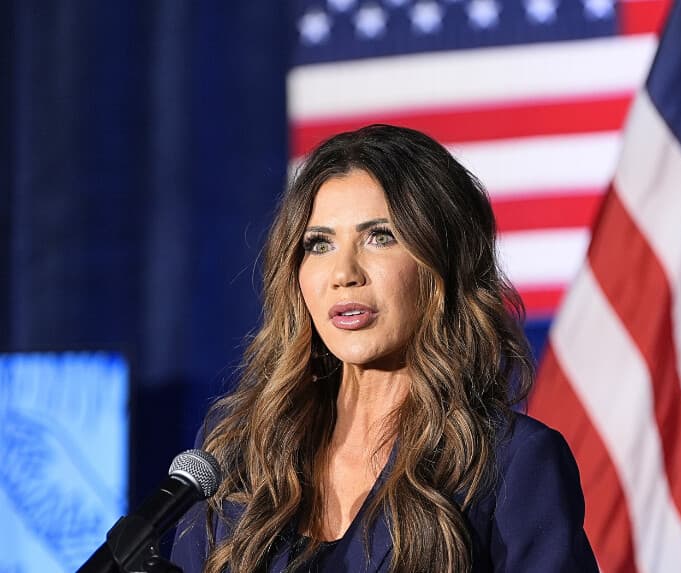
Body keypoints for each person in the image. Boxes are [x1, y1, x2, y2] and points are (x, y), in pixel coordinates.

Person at [170, 124, 598, 573]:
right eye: (320, 244)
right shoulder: (238, 448)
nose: (344, 273)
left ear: (440, 263)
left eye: (380, 237)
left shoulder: (512, 463)